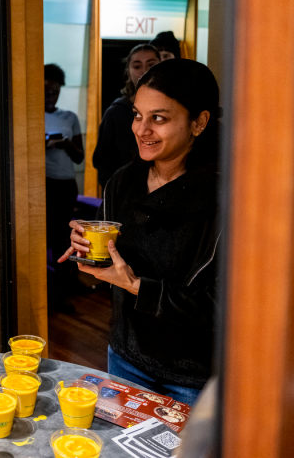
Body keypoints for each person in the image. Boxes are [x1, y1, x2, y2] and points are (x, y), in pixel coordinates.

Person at [60, 59, 220, 406]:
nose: (141, 129)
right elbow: (109, 256)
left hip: (193, 376)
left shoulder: (227, 197)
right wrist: (87, 248)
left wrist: (136, 285)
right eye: (137, 115)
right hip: (126, 358)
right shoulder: (124, 181)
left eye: (158, 118)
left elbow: (222, 307)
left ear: (199, 122)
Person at [93, 44, 160, 188]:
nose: (144, 71)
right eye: (137, 66)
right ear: (128, 72)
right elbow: (103, 162)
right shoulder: (116, 113)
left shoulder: (174, 109)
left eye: (151, 65)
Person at [44, 64, 85, 261]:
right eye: (46, 91)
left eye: (55, 91)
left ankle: (63, 273)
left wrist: (66, 144)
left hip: (66, 183)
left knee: (62, 234)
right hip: (44, 182)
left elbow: (79, 157)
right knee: (44, 233)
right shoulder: (30, 116)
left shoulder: (69, 117)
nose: (51, 96)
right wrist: (45, 142)